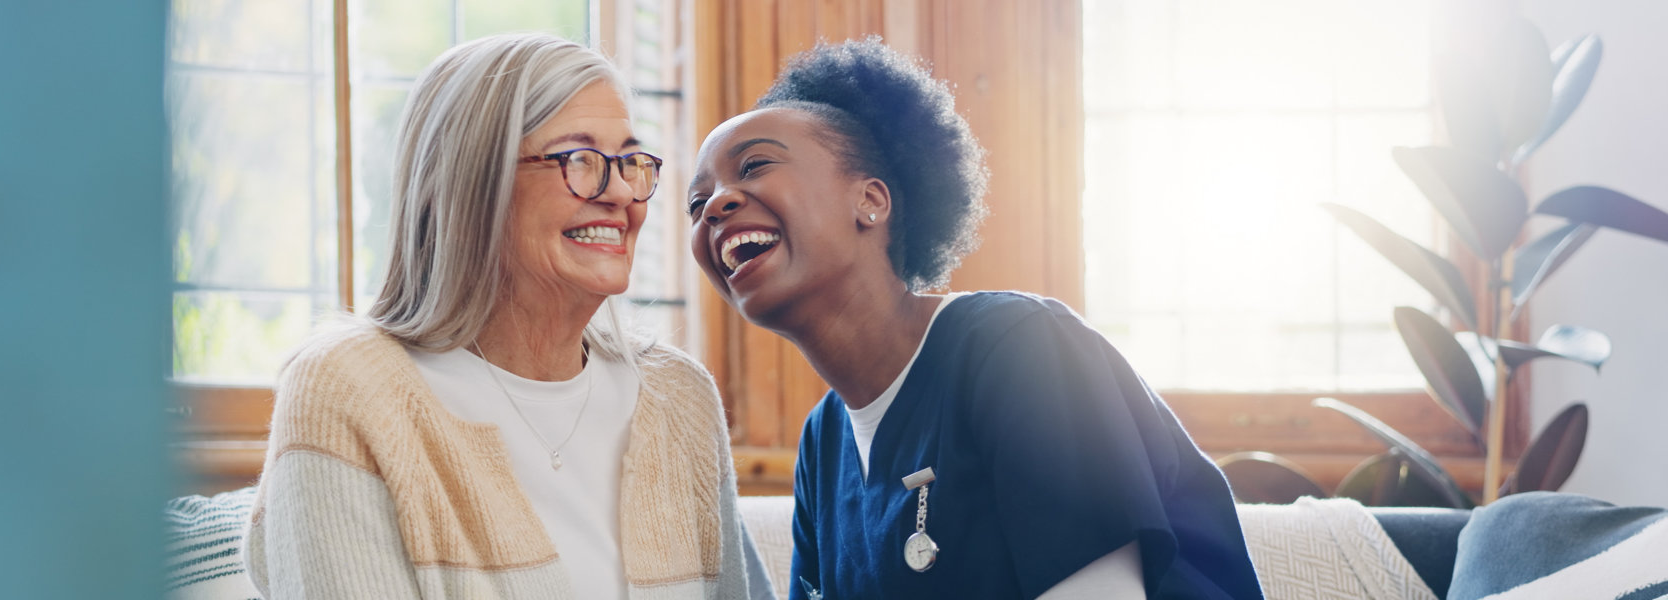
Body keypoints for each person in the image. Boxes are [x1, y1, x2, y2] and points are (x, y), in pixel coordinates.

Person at [686, 39, 1263, 599]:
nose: (715, 205)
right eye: (696, 203)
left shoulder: (1020, 347)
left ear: (872, 201)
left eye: (755, 165)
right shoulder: (823, 442)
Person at [247, 33, 772, 600]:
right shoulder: (348, 389)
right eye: (580, 159)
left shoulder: (680, 397)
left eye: (628, 161)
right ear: (469, 182)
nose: (621, 192)